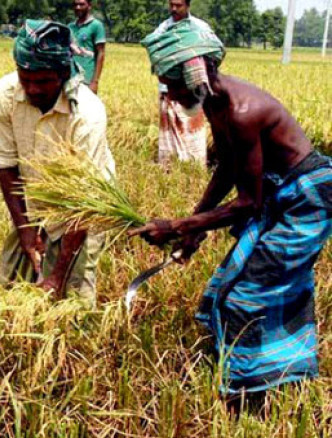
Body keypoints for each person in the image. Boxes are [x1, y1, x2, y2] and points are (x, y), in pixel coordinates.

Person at [132, 19, 332, 406]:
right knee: (232, 281)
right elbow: (228, 167)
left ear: (195, 75)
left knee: (251, 293)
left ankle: (250, 393)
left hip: (308, 198)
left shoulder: (241, 111)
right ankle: (262, 370)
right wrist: (194, 226)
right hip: (280, 190)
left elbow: (248, 203)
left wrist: (177, 225)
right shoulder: (215, 102)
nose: (170, 95)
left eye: (173, 85)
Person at [0, 20, 115, 306]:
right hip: (35, 200)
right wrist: (25, 232)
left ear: (62, 74)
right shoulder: (5, 94)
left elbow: (82, 203)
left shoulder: (87, 113)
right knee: (9, 289)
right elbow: (7, 165)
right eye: (26, 78)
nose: (32, 89)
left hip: (85, 207)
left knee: (73, 300)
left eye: (44, 81)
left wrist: (57, 277)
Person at [148, 0, 217, 168]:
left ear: (187, 5)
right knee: (169, 131)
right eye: (171, 4)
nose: (173, 8)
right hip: (168, 89)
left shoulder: (199, 27)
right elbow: (155, 53)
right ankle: (168, 166)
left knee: (192, 130)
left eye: (178, 5)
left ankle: (194, 166)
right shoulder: (163, 29)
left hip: (192, 92)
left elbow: (213, 52)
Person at [68, 0, 106, 94]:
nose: (78, 7)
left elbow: (101, 53)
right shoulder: (70, 27)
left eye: (81, 4)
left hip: (87, 78)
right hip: (70, 78)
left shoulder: (96, 26)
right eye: (75, 4)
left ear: (89, 6)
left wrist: (95, 81)